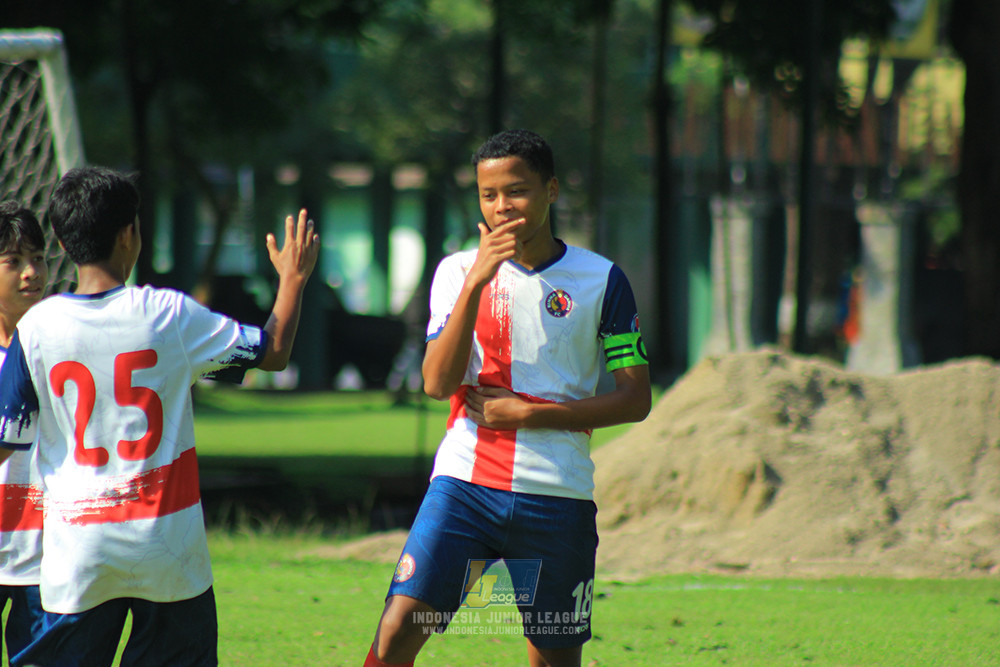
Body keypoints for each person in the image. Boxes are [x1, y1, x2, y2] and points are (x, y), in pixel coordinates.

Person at [0, 166, 320, 667]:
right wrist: (292, 280)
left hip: (79, 551)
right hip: (166, 547)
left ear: (60, 242)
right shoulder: (168, 315)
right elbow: (272, 353)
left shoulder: (37, 327)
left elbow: (6, 438)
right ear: (131, 235)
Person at [364, 129, 651, 667]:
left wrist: (530, 414)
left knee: (553, 661)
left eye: (516, 191)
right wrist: (477, 282)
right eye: (488, 195)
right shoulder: (455, 271)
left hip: (557, 496)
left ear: (551, 191)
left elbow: (635, 399)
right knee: (400, 626)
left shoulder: (602, 279)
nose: (501, 207)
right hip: (465, 485)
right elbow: (435, 383)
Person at [0, 201, 49, 663]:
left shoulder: (64, 346)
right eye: (13, 261)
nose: (30, 272)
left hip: (47, 551)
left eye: (37, 258)